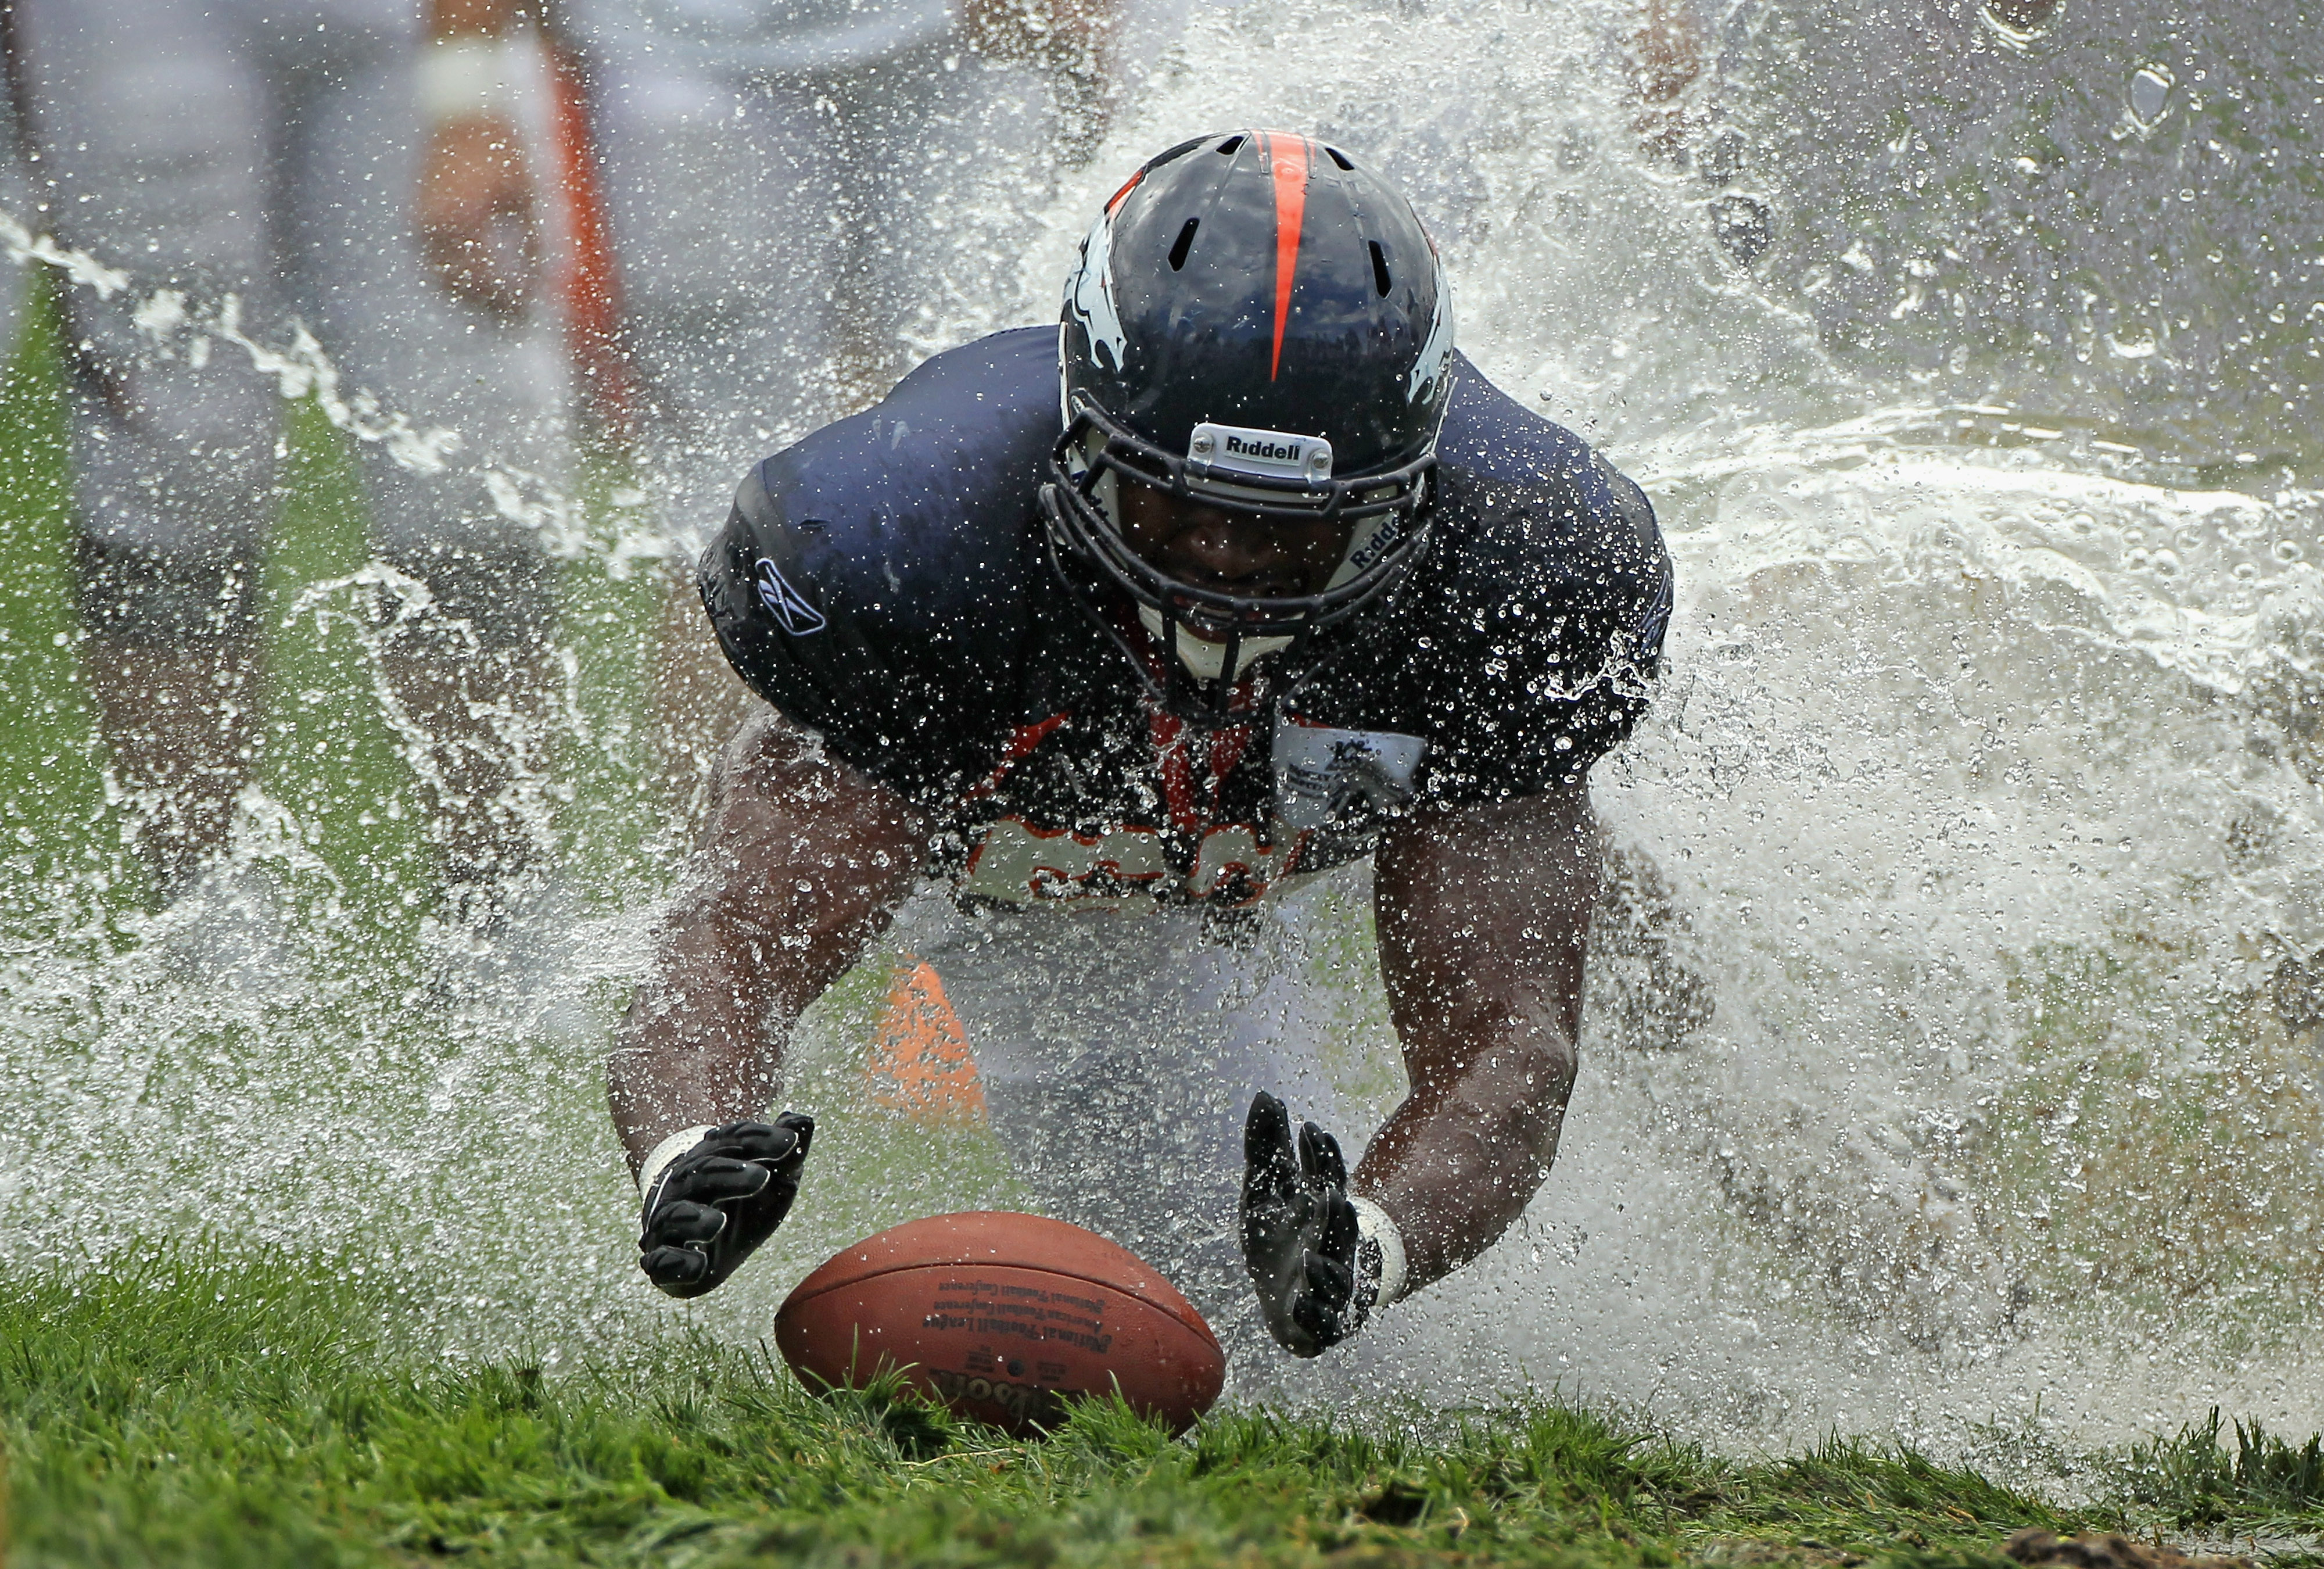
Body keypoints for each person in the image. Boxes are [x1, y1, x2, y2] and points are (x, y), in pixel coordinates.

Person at [614, 131, 1673, 1360]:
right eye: (1178, 510)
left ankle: (1872, 1227)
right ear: (1082, 442)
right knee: (1246, 1343)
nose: (1222, 574)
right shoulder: (910, 537)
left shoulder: (1522, 564)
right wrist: (691, 1146)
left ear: (1400, 497)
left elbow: (1505, 1036)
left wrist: (1375, 1243)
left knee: (1647, 961)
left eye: (1289, 538)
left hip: (1325, 809)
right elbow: (736, 932)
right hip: (1046, 893)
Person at [414, 0, 1122, 813]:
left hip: (953, 41)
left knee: (1024, 454)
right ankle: (741, 909)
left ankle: (1007, 876)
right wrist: (462, 94)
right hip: (690, 51)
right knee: (732, 519)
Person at [4, 0, 566, 951]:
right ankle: (202, 913)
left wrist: (468, 88)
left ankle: (501, 909)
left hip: (408, 26)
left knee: (477, 461)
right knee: (175, 457)